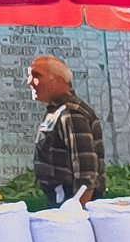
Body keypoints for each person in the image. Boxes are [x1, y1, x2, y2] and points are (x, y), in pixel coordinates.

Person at [27, 53, 105, 204]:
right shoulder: (58, 111)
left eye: (37, 75)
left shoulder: (71, 113)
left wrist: (77, 211)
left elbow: (86, 172)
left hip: (72, 202)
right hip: (63, 199)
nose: (30, 81)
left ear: (58, 79)